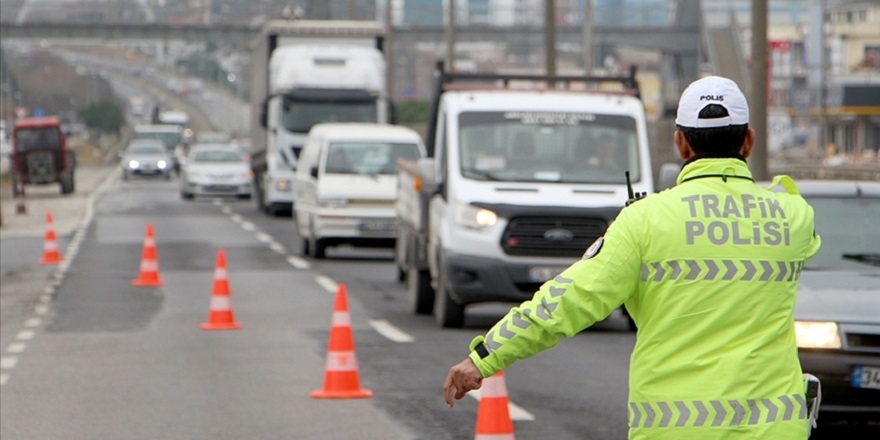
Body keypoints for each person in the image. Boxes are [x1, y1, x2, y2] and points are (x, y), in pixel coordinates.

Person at [443, 75, 822, 439]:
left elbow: (565, 302)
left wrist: (484, 357)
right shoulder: (793, 215)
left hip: (674, 428)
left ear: (681, 144)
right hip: (774, 430)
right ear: (749, 141)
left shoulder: (644, 220)